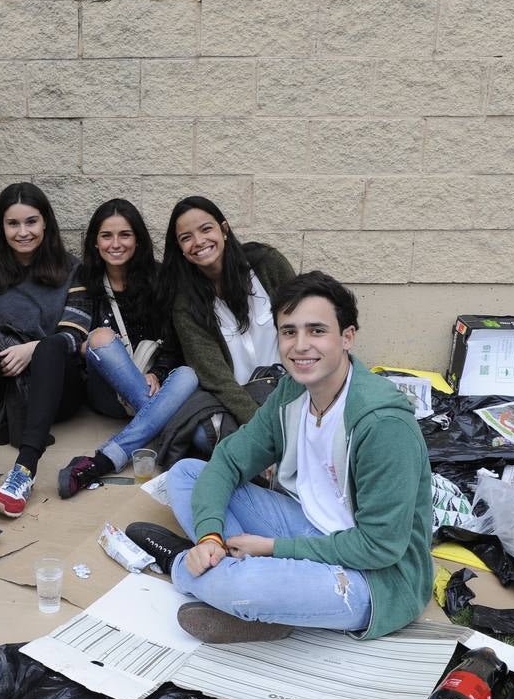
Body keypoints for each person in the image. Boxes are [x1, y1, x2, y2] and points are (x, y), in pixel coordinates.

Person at [127, 271, 433, 644]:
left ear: (347, 337)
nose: (300, 345)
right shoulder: (292, 391)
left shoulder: (383, 424)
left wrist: (273, 549)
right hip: (307, 522)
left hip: (374, 576)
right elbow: (228, 460)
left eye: (317, 330)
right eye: (289, 331)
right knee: (187, 473)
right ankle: (222, 563)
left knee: (247, 584)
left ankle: (182, 563)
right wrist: (209, 535)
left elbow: (380, 547)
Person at [0, 183, 81, 519]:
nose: (23, 232)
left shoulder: (71, 269)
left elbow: (77, 334)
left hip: (54, 387)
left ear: (45, 223)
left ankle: (25, 470)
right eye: (13, 224)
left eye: (31, 222)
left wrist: (31, 350)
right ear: (1, 227)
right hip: (2, 388)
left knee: (51, 347)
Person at [54, 199, 199, 498]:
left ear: (138, 240)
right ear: (95, 241)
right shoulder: (87, 279)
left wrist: (158, 372)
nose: (115, 244)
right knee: (101, 338)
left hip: (153, 388)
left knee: (187, 374)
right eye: (107, 236)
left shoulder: (159, 279)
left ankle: (104, 459)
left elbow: (173, 341)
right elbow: (76, 331)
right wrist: (87, 347)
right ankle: (170, 430)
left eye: (125, 235)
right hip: (107, 393)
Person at [162, 196, 295, 429]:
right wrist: (260, 425)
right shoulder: (186, 304)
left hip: (291, 387)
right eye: (186, 238)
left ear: (224, 229)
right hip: (238, 402)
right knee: (202, 434)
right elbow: (217, 378)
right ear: (181, 250)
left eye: (206, 229)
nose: (199, 241)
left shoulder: (266, 265)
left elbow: (307, 324)